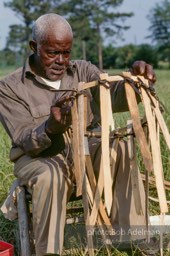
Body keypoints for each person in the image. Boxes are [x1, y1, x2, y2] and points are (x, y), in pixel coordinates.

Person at [0, 13, 156, 256]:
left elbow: (114, 95)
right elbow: (23, 138)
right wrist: (51, 126)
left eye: (66, 53)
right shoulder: (9, 87)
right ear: (34, 47)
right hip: (39, 159)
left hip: (86, 152)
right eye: (52, 53)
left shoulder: (83, 71)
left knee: (121, 148)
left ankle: (133, 240)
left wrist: (135, 82)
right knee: (50, 174)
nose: (61, 61)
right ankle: (49, 252)